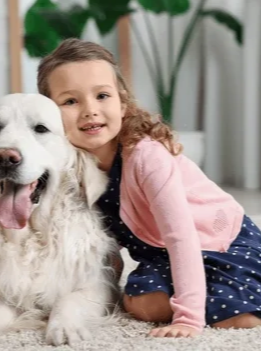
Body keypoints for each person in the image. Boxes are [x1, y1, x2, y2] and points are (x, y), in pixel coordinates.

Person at [36, 38, 261, 338]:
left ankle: (230, 301)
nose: (90, 110)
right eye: (70, 101)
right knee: (141, 304)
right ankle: (207, 292)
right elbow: (102, 242)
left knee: (236, 318)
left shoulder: (146, 156)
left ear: (123, 103)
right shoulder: (70, 165)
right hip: (161, 253)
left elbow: (181, 236)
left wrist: (189, 318)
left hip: (217, 240)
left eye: (102, 95)